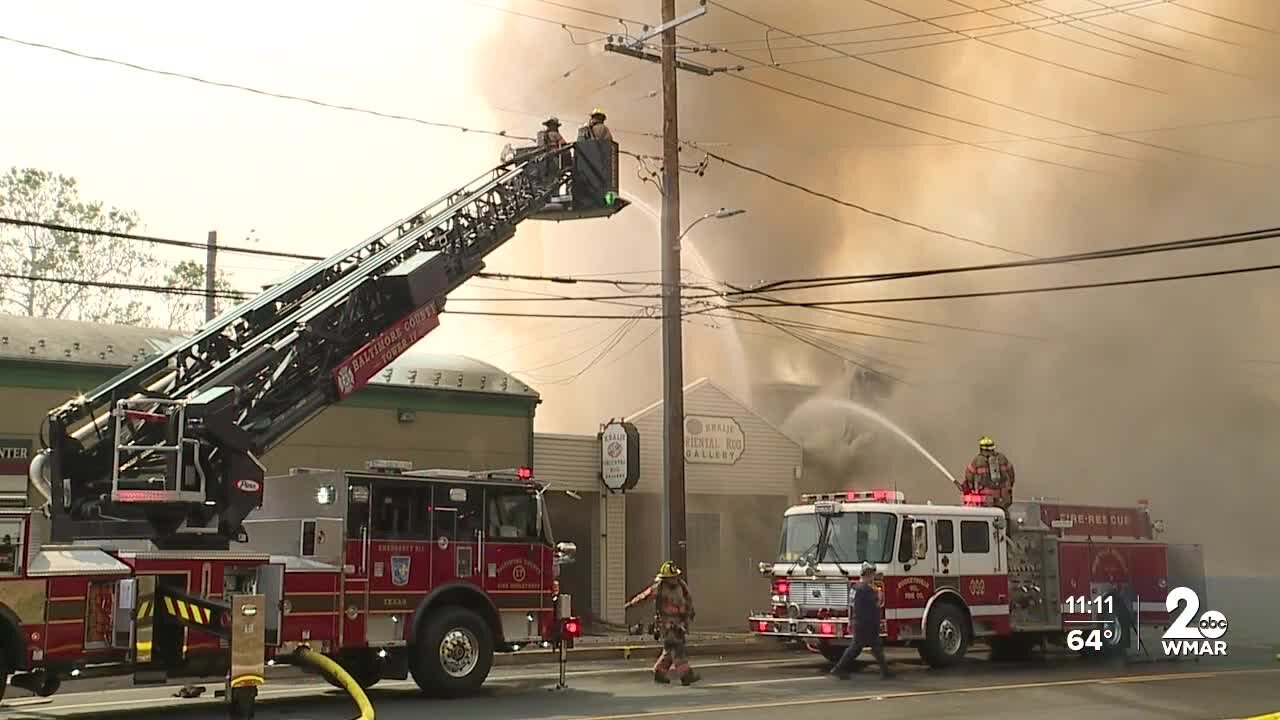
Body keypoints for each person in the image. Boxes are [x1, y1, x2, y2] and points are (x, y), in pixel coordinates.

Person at [624, 560, 700, 685]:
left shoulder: (682, 586)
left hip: (680, 622)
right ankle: (686, 675)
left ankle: (659, 672)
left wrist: (690, 613)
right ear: (665, 578)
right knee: (677, 648)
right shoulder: (659, 588)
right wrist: (631, 604)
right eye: (671, 578)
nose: (674, 580)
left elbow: (688, 600)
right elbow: (644, 596)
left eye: (675, 577)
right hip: (666, 623)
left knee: (670, 650)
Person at [830, 563, 894, 680]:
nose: (873, 577)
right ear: (868, 575)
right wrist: (879, 594)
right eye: (872, 574)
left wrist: (850, 621)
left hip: (859, 621)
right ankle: (838, 669)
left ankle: (886, 672)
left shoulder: (855, 587)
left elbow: (852, 606)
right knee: (858, 648)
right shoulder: (866, 590)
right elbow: (876, 604)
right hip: (867, 623)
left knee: (873, 647)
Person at [963, 435, 1016, 508]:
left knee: (987, 516)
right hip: (1003, 496)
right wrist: (1009, 488)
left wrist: (971, 489)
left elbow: (969, 477)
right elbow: (1011, 475)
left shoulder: (977, 460)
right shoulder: (1002, 458)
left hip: (986, 498)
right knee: (1003, 515)